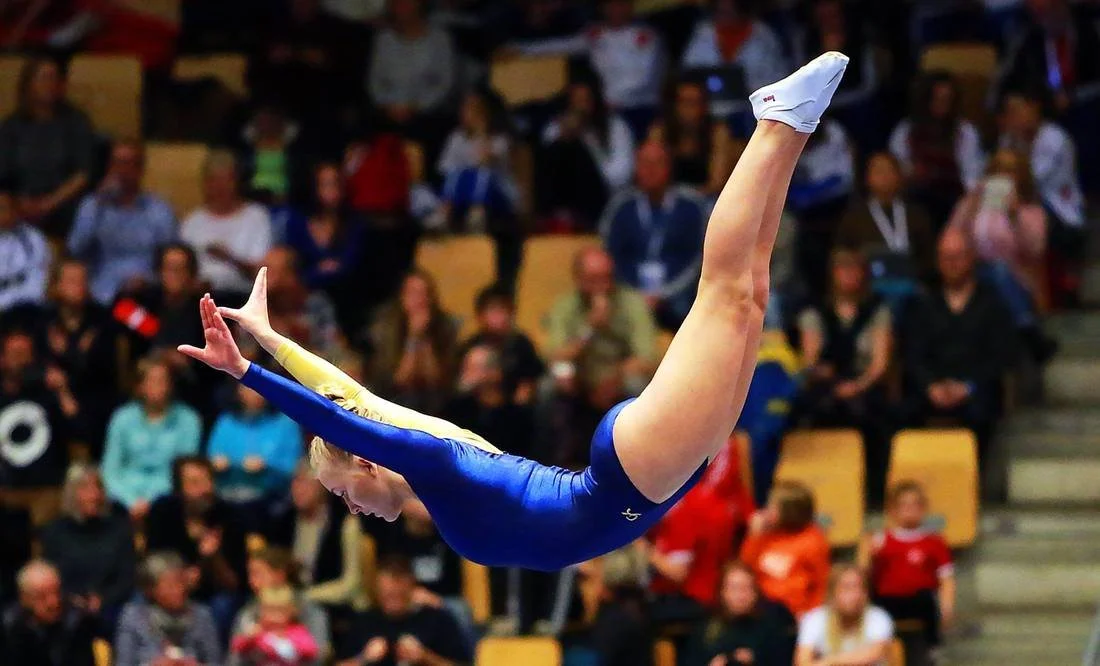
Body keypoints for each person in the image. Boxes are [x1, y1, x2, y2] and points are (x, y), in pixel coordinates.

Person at [179, 53, 852, 570]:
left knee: (727, 295)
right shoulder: (441, 492)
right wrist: (270, 338)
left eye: (348, 496)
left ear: (367, 465)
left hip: (624, 477)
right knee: (750, 293)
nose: (356, 511)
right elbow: (350, 395)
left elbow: (334, 412)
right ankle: (793, 128)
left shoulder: (437, 465)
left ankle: (774, 122)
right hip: (650, 483)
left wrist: (247, 370)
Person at [796, 249, 893, 502]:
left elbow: (879, 364)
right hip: (827, 383)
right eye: (843, 268)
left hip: (865, 383)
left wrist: (858, 386)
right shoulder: (814, 310)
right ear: (832, 274)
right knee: (816, 409)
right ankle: (822, 490)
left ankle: (871, 492)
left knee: (867, 412)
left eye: (854, 268)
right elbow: (810, 361)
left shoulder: (877, 310)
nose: (848, 275)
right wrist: (822, 373)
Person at [947, 147, 1056, 363]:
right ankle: (1027, 329)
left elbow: (1035, 249)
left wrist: (1014, 217)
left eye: (1011, 170)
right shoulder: (969, 205)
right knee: (994, 269)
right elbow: (951, 241)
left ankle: (1023, 326)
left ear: (1021, 175)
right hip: (973, 276)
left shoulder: (1031, 211)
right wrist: (971, 209)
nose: (1004, 175)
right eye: (998, 169)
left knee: (1000, 270)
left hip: (1016, 280)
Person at [601, 140, 708, 331]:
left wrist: (665, 293)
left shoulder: (692, 206)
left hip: (679, 291)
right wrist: (635, 294)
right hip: (629, 291)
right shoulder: (620, 207)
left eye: (656, 163)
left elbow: (699, 258)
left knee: (687, 305)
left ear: (669, 168)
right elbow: (610, 257)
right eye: (643, 164)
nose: (649, 170)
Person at [145, 456, 249, 637]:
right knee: (137, 604)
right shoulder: (162, 512)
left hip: (213, 593)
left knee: (223, 606)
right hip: (167, 588)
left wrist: (214, 557)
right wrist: (180, 580)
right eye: (195, 483)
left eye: (208, 480)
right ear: (179, 489)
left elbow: (235, 584)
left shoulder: (230, 515)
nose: (205, 489)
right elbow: (151, 567)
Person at [67, 139, 177, 305]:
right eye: (116, 163)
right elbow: (75, 250)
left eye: (127, 163)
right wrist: (98, 204)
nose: (120, 170)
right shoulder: (92, 205)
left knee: (145, 323)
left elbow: (172, 260)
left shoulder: (158, 210)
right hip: (100, 298)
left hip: (146, 297)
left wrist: (150, 280)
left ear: (140, 169)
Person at [435, 89, 524, 287]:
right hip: (463, 196)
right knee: (457, 174)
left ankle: (477, 213)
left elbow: (485, 161)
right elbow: (446, 170)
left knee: (483, 174)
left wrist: (482, 131)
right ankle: (444, 214)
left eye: (474, 109)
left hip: (500, 197)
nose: (468, 113)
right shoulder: (456, 138)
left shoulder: (499, 139)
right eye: (465, 108)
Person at [0, 57, 94, 237]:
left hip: (63, 205)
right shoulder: (11, 126)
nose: (50, 84)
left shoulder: (75, 121)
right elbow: (3, 176)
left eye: (54, 78)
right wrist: (18, 203)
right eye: (44, 78)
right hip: (19, 206)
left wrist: (48, 204)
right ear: (28, 84)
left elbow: (83, 174)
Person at [101, 355, 202, 520]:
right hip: (123, 500)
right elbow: (110, 470)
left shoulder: (188, 420)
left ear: (171, 385)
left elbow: (185, 473)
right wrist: (130, 501)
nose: (158, 386)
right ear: (139, 386)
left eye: (162, 380)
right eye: (151, 380)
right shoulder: (122, 418)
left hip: (170, 500)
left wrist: (153, 502)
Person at [39, 463, 136, 635]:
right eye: (85, 488)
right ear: (71, 494)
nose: (94, 495)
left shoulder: (119, 530)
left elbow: (127, 577)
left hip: (112, 606)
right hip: (66, 603)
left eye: (97, 487)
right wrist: (72, 598)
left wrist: (103, 599)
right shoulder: (55, 532)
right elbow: (50, 575)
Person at [860, 481, 955, 655]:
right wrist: (869, 555)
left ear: (924, 508)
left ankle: (931, 648)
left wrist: (946, 606)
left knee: (927, 601)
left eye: (915, 505)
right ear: (892, 509)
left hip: (919, 600)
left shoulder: (935, 542)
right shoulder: (879, 540)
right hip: (886, 598)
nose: (910, 510)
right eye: (904, 505)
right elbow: (864, 574)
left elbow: (946, 578)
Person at [264, 462, 366, 611]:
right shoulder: (284, 521)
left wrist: (305, 597)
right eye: (295, 482)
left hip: (332, 608)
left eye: (305, 482)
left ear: (323, 486)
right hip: (288, 606)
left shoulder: (345, 522)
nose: (298, 489)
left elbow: (351, 584)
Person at [538, 77, 636, 231]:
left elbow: (621, 176)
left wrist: (590, 145)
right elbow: (547, 173)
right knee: (561, 147)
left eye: (586, 100)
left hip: (603, 200)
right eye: (576, 101)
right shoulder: (555, 129)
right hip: (562, 202)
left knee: (578, 151)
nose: (581, 107)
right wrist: (568, 134)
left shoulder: (616, 127)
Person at [335, 556, 471, 666]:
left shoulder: (436, 620)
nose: (393, 602)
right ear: (377, 590)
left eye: (399, 596)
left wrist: (426, 657)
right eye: (388, 596)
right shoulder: (364, 621)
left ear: (412, 588)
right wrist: (364, 658)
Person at [889, 71, 985, 226]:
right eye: (937, 98)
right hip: (915, 198)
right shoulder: (905, 131)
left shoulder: (965, 132)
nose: (942, 104)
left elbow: (971, 177)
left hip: (953, 199)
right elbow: (898, 171)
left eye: (947, 99)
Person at [838, 152, 937, 300]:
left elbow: (928, 256)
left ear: (899, 176)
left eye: (889, 170)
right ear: (867, 178)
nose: (884, 176)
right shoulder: (854, 218)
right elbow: (843, 254)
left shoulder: (916, 215)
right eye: (878, 171)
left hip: (911, 287)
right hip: (867, 290)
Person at [180, 150, 274, 296]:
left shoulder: (256, 217)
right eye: (213, 180)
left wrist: (229, 258)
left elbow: (263, 272)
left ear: (237, 182)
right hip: (199, 299)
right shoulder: (192, 222)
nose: (219, 186)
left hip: (243, 297)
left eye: (226, 180)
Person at [365, 271, 460, 415]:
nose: (420, 300)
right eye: (413, 293)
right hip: (393, 402)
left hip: (435, 405)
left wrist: (424, 337)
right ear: (402, 297)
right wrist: (413, 337)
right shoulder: (387, 328)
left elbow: (436, 380)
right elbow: (399, 381)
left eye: (424, 294)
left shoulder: (443, 327)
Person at [739, 481, 831, 618]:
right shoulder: (764, 534)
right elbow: (745, 569)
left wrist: (811, 614)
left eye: (773, 507)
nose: (767, 511)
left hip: (795, 613)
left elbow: (822, 584)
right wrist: (754, 536)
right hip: (761, 611)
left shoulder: (812, 540)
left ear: (789, 511)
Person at [114, 552, 222, 666]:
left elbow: (215, 662)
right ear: (151, 589)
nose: (178, 590)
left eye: (181, 582)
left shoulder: (202, 615)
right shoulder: (133, 616)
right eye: (170, 585)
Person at [683, 562, 797, 666]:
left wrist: (754, 659)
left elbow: (783, 660)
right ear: (722, 592)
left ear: (756, 592)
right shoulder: (706, 626)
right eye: (734, 588)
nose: (741, 596)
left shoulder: (773, 622)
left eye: (746, 588)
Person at [208, 383, 303, 506]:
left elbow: (294, 467)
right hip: (225, 496)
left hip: (271, 499)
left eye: (257, 385)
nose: (254, 391)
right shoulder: (226, 421)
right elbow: (211, 459)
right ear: (237, 391)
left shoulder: (285, 423)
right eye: (247, 386)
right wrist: (216, 465)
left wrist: (267, 467)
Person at [230, 547, 330, 663]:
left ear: (279, 575)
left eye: (256, 574)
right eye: (250, 575)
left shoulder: (310, 611)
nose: (251, 581)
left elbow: (317, 657)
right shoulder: (248, 613)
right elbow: (234, 659)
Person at [647, 78, 738, 197]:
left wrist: (689, 201)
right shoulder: (660, 131)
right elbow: (651, 177)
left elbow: (717, 182)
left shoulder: (718, 132)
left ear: (704, 106)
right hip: (666, 199)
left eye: (694, 103)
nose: (688, 109)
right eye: (684, 102)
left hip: (707, 199)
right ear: (674, 105)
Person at [456, 284, 544, 404]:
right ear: (480, 316)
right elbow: (461, 385)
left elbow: (532, 376)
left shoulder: (521, 344)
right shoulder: (471, 348)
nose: (499, 317)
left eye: (503, 310)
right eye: (492, 310)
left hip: (513, 409)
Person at [0, 560, 97, 666]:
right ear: (24, 599)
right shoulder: (9, 627)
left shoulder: (77, 621)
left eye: (56, 592)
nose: (53, 602)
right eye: (42, 596)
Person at [795, 565, 894, 666]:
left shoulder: (878, 617)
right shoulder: (814, 619)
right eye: (847, 588)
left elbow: (875, 653)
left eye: (861, 588)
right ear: (832, 593)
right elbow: (803, 661)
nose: (855, 595)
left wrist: (830, 661)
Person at [230, 585, 321, 666]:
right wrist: (250, 637)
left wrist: (287, 643)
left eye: (279, 611)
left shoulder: (297, 630)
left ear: (291, 612)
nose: (273, 616)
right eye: (269, 610)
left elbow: (311, 651)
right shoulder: (259, 631)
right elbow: (237, 646)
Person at [0, 182, 50, 312]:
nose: (4, 213)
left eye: (6, 208)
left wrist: (24, 307)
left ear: (15, 209)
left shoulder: (33, 238)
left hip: (26, 309)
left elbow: (40, 276)